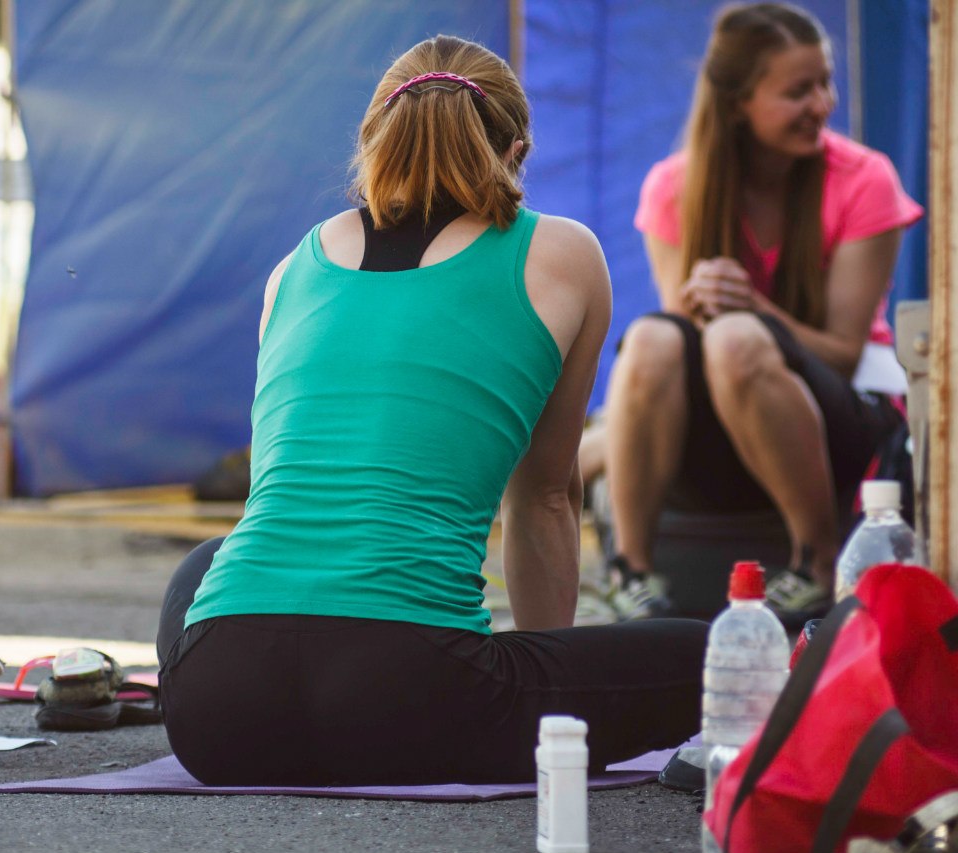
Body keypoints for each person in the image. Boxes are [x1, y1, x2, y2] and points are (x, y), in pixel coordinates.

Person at [155, 34, 707, 786]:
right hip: (411, 698)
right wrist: (549, 677)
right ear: (516, 151)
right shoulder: (562, 254)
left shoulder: (294, 266)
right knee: (727, 652)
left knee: (208, 567)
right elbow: (545, 494)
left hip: (216, 711)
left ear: (373, 140)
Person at [602, 2, 923, 621]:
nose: (823, 103)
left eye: (826, 83)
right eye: (798, 91)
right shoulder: (674, 186)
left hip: (847, 417)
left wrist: (754, 307)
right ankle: (630, 569)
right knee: (649, 339)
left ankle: (816, 560)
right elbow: (678, 350)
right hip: (728, 424)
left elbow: (845, 351)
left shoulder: (865, 180)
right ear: (737, 104)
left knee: (738, 340)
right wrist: (702, 303)